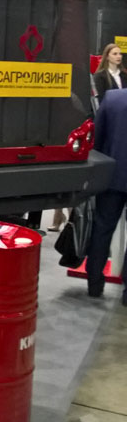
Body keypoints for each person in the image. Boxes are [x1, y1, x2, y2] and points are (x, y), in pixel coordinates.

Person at [85, 88, 127, 302]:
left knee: (102, 229)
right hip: (114, 176)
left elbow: (97, 139)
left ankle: (94, 283)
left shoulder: (112, 98)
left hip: (112, 176)